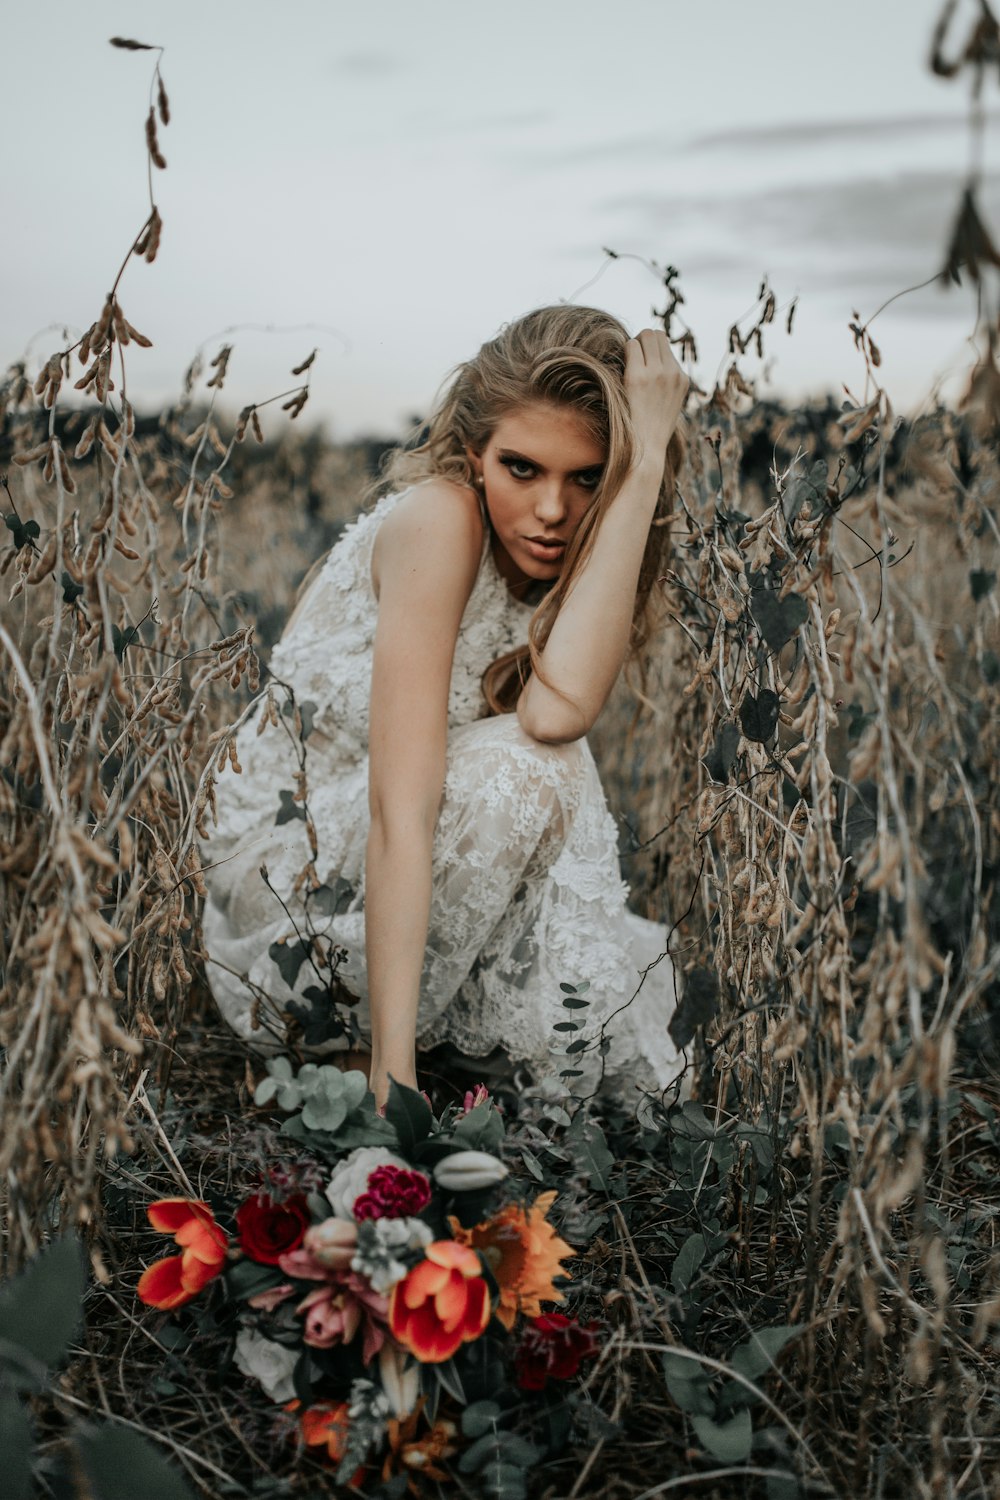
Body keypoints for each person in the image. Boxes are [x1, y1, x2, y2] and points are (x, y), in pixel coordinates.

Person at [200, 305, 689, 1111]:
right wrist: (396, 1083)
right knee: (528, 771)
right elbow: (406, 805)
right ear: (475, 455)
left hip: (397, 863)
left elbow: (556, 708)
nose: (553, 511)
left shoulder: (579, 545)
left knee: (538, 761)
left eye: (587, 476)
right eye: (522, 468)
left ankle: (410, 1051)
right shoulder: (440, 520)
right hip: (286, 883)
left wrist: (640, 473)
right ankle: (369, 1050)